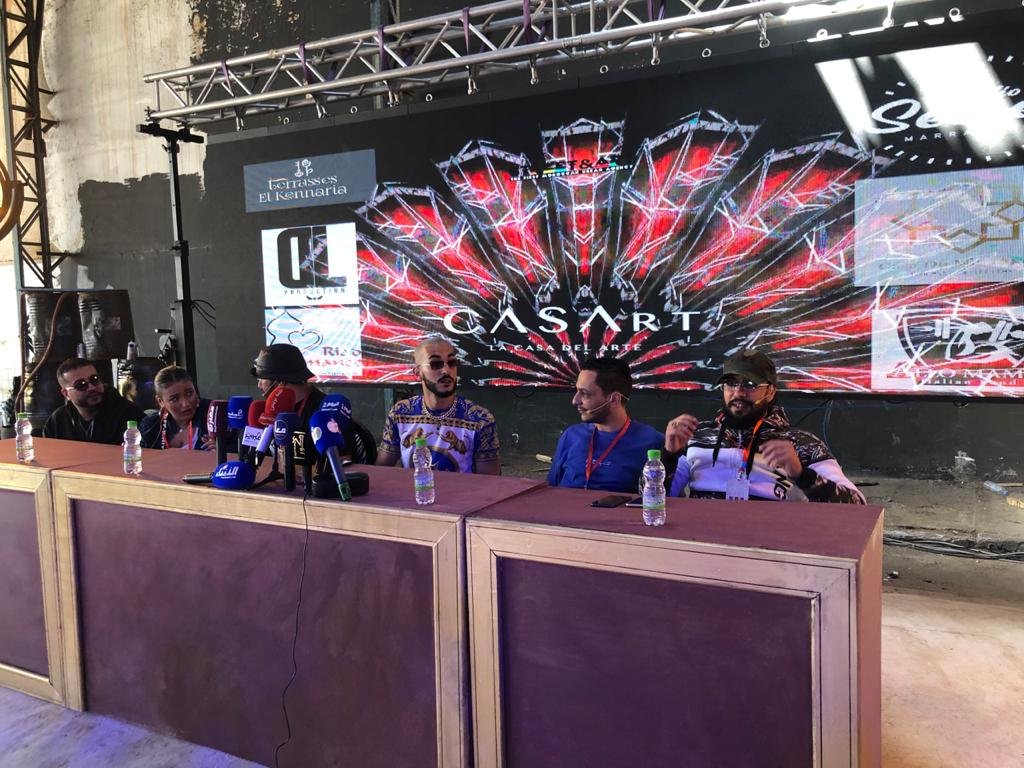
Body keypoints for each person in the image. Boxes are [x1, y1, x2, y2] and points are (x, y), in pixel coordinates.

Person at [664, 348, 864, 503]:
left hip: (771, 538)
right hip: (704, 537)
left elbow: (857, 505)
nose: (738, 392)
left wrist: (801, 474)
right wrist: (669, 455)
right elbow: (656, 497)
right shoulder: (696, 436)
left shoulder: (802, 444)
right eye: (731, 383)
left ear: (770, 392)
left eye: (750, 384)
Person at [376, 337, 500, 474]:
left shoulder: (480, 419)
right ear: (418, 372)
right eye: (435, 364)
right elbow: (381, 470)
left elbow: (490, 481)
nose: (446, 370)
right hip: (416, 487)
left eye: (452, 362)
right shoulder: (400, 413)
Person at [548, 356, 663, 493]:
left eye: (585, 394)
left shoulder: (652, 442)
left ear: (614, 400)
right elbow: (551, 489)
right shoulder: (571, 436)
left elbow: (661, 497)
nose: (575, 400)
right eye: (577, 391)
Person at [250, 343, 370, 464]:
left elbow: (343, 465)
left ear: (280, 382)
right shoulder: (270, 411)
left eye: (261, 379)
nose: (259, 385)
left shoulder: (327, 413)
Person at [43, 357, 145, 444]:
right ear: (66, 394)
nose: (91, 387)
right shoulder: (57, 421)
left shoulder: (128, 413)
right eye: (81, 385)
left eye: (94, 379)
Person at [140, 366, 212, 450]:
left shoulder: (214, 415)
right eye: (174, 399)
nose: (185, 404)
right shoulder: (150, 426)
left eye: (189, 393)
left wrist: (222, 450)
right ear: (161, 402)